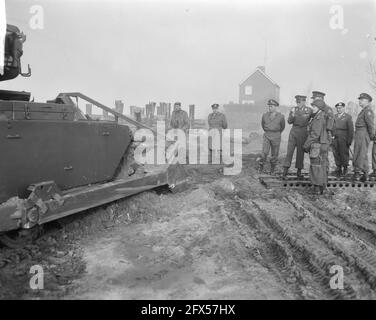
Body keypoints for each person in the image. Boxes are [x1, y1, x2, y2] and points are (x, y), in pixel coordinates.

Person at [303, 99, 330, 195]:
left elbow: (315, 134)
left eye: (314, 106)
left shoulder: (319, 118)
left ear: (319, 108)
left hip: (317, 145)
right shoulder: (321, 116)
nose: (312, 108)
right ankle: (322, 186)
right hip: (322, 144)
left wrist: (306, 145)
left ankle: (317, 188)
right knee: (322, 166)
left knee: (316, 165)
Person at [282, 95, 312, 179]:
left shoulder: (309, 110)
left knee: (300, 152)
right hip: (294, 131)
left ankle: (299, 171)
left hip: (303, 132)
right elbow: (289, 121)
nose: (298, 103)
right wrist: (292, 114)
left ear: (304, 102)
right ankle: (285, 171)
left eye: (299, 102)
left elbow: (313, 120)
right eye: (297, 102)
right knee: (289, 151)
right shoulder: (293, 109)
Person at [259, 99, 285, 174]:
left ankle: (272, 169)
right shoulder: (265, 115)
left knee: (274, 154)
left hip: (276, 136)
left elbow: (282, 127)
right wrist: (268, 131)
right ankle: (261, 168)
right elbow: (263, 125)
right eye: (269, 106)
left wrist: (276, 133)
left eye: (272, 106)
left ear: (276, 107)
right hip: (267, 135)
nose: (270, 108)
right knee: (264, 152)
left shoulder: (281, 116)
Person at [353, 93, 374, 181]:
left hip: (363, 133)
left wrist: (371, 136)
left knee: (359, 153)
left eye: (362, 100)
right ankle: (365, 173)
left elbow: (370, 125)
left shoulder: (367, 111)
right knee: (362, 153)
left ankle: (358, 173)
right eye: (360, 99)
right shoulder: (364, 111)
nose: (360, 101)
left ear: (367, 101)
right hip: (360, 133)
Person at [332, 102, 354, 176]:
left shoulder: (348, 117)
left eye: (340, 108)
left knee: (344, 153)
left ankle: (345, 169)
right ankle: (338, 168)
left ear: (344, 108)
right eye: (337, 108)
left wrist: (349, 140)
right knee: (336, 153)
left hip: (343, 138)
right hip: (335, 138)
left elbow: (351, 130)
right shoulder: (334, 116)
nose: (339, 109)